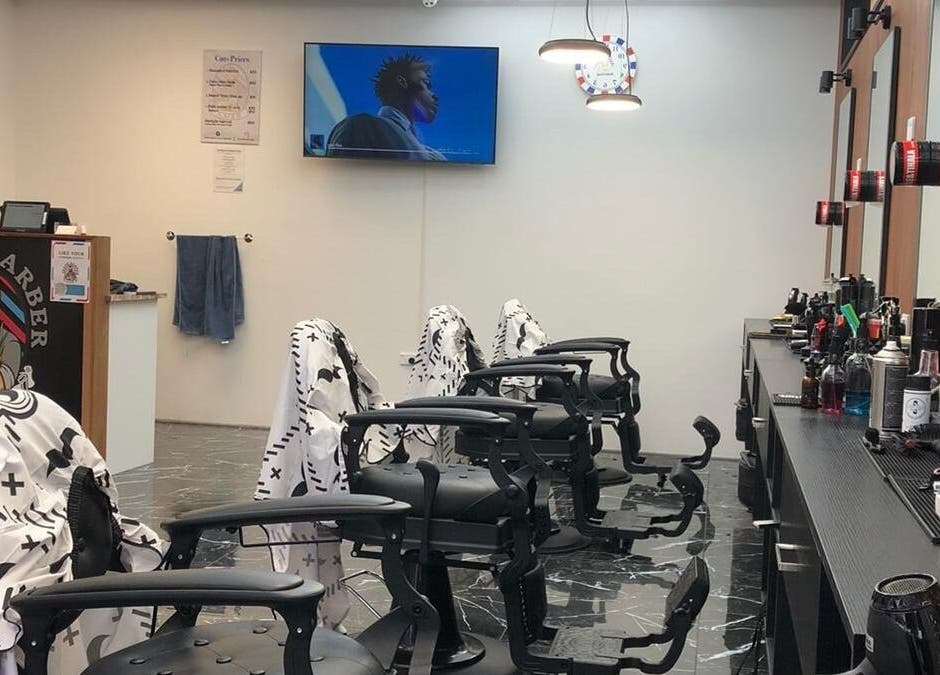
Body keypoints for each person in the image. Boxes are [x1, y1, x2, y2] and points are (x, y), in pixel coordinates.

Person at [327, 53, 446, 161]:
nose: (434, 95)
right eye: (426, 84)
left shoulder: (432, 154)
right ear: (402, 82)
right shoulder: (362, 125)